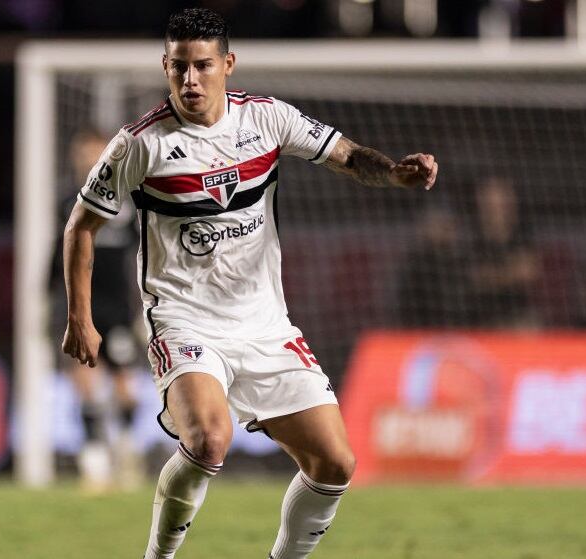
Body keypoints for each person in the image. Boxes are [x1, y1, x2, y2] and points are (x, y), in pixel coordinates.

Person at [60, 8, 437, 559]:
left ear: (228, 64)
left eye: (203, 66)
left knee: (335, 463)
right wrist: (80, 318)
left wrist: (395, 173)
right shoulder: (139, 143)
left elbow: (348, 156)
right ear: (166, 67)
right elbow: (80, 226)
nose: (191, 80)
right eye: (179, 67)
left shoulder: (267, 119)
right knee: (209, 439)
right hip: (184, 320)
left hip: (264, 325)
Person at [51, 129, 143, 491]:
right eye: (82, 152)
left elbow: (146, 250)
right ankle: (94, 461)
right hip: (78, 304)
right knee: (85, 382)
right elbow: (57, 252)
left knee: (124, 387)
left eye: (93, 151)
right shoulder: (67, 202)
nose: (87, 159)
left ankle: (125, 447)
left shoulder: (128, 201)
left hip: (118, 307)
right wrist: (48, 298)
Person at [467, 177, 539, 328]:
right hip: (476, 316)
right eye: (490, 199)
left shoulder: (523, 232)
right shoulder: (471, 234)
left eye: (502, 197)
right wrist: (510, 272)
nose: (497, 204)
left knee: (530, 325)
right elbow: (475, 277)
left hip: (516, 315)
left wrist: (494, 276)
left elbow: (529, 271)